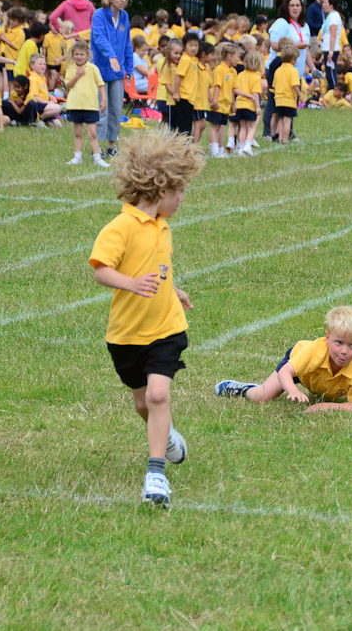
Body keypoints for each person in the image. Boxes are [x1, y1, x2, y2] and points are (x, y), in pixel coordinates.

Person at [88, 129, 205, 508]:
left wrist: (174, 290)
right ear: (161, 189)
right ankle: (165, 433)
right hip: (125, 335)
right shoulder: (120, 227)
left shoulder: (163, 227)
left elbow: (159, 271)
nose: (182, 199)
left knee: (158, 394)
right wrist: (132, 284)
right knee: (143, 403)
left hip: (167, 329)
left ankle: (156, 474)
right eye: (180, 191)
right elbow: (102, 271)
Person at [214, 306, 352, 413]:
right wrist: (293, 390)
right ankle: (239, 388)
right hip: (298, 368)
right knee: (261, 397)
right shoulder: (314, 352)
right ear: (327, 337)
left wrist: (324, 406)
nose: (344, 351)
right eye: (339, 343)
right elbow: (285, 371)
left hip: (315, 379)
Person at [91, 0, 134, 158]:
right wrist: (111, 56)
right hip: (100, 69)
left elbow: (127, 43)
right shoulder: (99, 15)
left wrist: (129, 68)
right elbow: (99, 38)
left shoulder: (124, 17)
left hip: (118, 71)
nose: (122, 0)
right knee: (102, 108)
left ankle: (112, 145)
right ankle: (97, 146)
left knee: (116, 110)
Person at [264, 0, 312, 139]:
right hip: (279, 68)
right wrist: (296, 46)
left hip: (296, 69)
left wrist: (313, 68)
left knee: (291, 101)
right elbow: (275, 45)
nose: (295, 8)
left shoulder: (304, 26)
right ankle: (269, 132)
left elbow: (306, 50)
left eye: (298, 5)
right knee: (275, 102)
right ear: (286, 7)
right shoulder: (282, 23)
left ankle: (287, 132)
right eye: (292, 5)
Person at [63, 41, 109, 167]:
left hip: (90, 105)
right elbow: (68, 85)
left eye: (82, 54)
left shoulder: (93, 68)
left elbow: (100, 84)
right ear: (73, 55)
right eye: (76, 54)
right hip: (75, 105)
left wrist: (104, 99)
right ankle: (77, 156)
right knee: (78, 132)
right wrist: (76, 76)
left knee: (92, 133)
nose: (79, 57)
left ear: (87, 55)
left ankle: (97, 157)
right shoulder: (71, 68)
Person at [208, 42, 239, 158]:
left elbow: (232, 89)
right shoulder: (219, 69)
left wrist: (233, 103)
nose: (238, 59)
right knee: (214, 126)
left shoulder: (232, 71)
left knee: (221, 127)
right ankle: (214, 150)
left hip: (226, 104)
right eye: (237, 56)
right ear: (229, 56)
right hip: (218, 103)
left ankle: (220, 149)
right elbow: (217, 86)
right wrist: (214, 101)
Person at [233, 48, 264, 155]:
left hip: (239, 104)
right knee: (251, 127)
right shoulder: (256, 77)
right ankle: (247, 145)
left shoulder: (240, 74)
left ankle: (240, 146)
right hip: (249, 105)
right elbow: (255, 93)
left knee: (243, 127)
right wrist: (257, 106)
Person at [272, 43, 300, 143]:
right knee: (287, 120)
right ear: (293, 59)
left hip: (278, 99)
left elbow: (274, 85)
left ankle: (279, 138)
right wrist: (300, 95)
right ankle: (285, 140)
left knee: (281, 119)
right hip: (289, 99)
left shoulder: (278, 70)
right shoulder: (293, 71)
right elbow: (295, 85)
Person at [319, 0, 343, 91]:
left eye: (325, 3)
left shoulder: (334, 17)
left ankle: (334, 91)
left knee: (331, 73)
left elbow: (333, 35)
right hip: (327, 48)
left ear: (331, 5)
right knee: (329, 73)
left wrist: (331, 52)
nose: (323, 5)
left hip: (331, 49)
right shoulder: (330, 16)